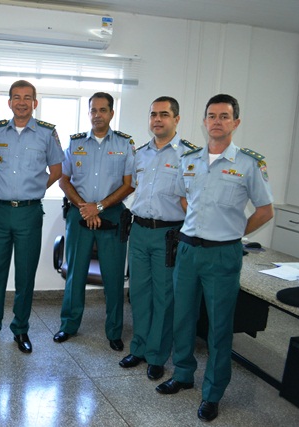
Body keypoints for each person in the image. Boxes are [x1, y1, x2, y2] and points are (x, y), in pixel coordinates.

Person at [155, 94, 273, 422]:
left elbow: (265, 211)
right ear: (204, 121)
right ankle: (182, 374)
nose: (217, 121)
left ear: (236, 122)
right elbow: (183, 199)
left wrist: (235, 231)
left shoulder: (249, 163)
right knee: (183, 317)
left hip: (223, 254)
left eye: (224, 116)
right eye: (211, 116)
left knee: (219, 326)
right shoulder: (189, 159)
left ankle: (213, 392)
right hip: (188, 251)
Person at [0, 80, 64, 354]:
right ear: (10, 102)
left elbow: (57, 170)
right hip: (0, 211)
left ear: (34, 103)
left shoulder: (47, 134)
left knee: (25, 275)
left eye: (27, 98)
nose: (22, 102)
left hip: (29, 212)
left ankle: (21, 328)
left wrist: (34, 188)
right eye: (17, 97)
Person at [119, 97, 196, 380]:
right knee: (139, 294)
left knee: (164, 297)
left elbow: (192, 199)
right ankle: (138, 348)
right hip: (139, 230)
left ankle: (156, 355)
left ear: (176, 119)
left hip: (169, 234)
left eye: (164, 114)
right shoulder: (139, 154)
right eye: (153, 114)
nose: (157, 120)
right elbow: (133, 188)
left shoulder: (189, 156)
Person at [54, 92, 135, 352]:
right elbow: (63, 180)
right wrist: (84, 207)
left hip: (111, 215)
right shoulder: (75, 143)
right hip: (79, 213)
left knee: (113, 277)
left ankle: (114, 331)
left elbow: (129, 184)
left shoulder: (124, 144)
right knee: (75, 273)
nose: (97, 115)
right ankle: (68, 325)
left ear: (111, 113)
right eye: (93, 110)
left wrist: (98, 207)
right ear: (88, 112)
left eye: (102, 110)